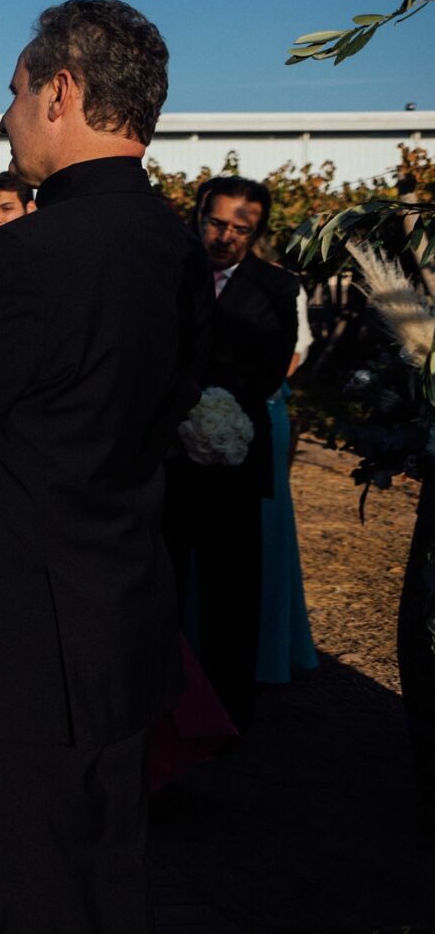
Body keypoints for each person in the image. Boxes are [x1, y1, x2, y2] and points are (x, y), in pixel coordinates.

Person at [0, 0, 209, 932]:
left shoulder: (21, 256)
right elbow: (173, 404)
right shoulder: (176, 245)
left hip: (14, 639)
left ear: (60, 93)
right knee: (108, 882)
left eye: (16, 92)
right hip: (125, 615)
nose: (5, 115)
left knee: (21, 893)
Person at [163, 175, 299, 732]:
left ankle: (228, 717)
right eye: (216, 223)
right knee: (164, 588)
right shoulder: (171, 274)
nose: (225, 237)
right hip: (169, 458)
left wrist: (211, 410)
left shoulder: (277, 286)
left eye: (241, 229)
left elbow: (269, 367)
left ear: (257, 232)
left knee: (232, 593)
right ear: (200, 217)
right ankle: (163, 712)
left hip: (234, 457)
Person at [259, 286, 318, 684]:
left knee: (268, 527)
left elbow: (293, 357)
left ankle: (268, 651)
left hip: (261, 408)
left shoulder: (282, 285)